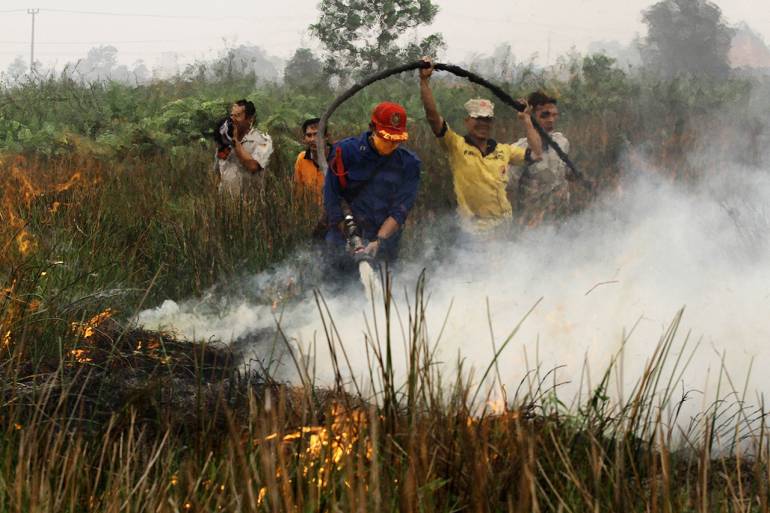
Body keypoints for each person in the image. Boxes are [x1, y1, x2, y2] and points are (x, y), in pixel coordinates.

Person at [419, 58, 542, 234]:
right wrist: (424, 81)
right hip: (473, 232)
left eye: (487, 120)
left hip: (503, 228)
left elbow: (537, 154)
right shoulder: (456, 145)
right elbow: (433, 118)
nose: (483, 124)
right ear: (467, 121)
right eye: (478, 119)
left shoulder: (504, 150)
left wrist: (527, 120)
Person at [323, 101, 421, 264]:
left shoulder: (409, 164)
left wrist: (379, 241)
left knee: (383, 286)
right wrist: (352, 238)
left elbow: (401, 209)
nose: (391, 145)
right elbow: (332, 199)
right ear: (372, 128)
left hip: (384, 242)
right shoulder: (346, 152)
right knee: (338, 286)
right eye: (386, 138)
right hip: (343, 239)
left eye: (396, 140)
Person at [508, 91, 571, 226]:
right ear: (532, 117)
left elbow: (563, 177)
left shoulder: (562, 143)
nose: (551, 120)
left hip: (559, 221)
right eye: (545, 115)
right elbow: (507, 187)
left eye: (554, 115)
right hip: (532, 224)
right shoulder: (520, 150)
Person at [215, 99, 273, 197]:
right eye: (231, 115)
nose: (232, 119)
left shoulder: (263, 140)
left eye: (237, 116)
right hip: (225, 205)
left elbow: (253, 166)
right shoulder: (225, 140)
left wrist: (235, 142)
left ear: (250, 119)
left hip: (250, 207)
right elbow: (217, 171)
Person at [293, 117, 326, 204]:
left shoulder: (336, 157)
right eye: (309, 135)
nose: (312, 139)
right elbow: (298, 192)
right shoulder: (301, 158)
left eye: (316, 134)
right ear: (304, 138)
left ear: (325, 136)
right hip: (310, 214)